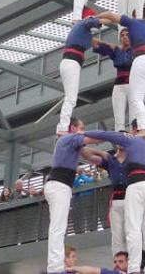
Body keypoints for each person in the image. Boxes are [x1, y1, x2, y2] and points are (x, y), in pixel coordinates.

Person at [79, 128, 145, 274]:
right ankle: (123, 268)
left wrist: (81, 135)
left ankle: (133, 267)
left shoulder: (133, 149)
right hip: (123, 196)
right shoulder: (112, 158)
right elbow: (87, 154)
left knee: (135, 231)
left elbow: (104, 134)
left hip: (134, 192)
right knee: (123, 236)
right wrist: (101, 152)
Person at [44, 117, 105, 274]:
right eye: (82, 128)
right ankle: (55, 268)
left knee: (59, 226)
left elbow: (90, 156)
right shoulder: (68, 138)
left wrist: (107, 158)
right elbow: (93, 139)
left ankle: (55, 266)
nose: (83, 131)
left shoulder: (71, 142)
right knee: (58, 227)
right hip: (59, 185)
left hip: (58, 184)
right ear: (72, 128)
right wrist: (115, 136)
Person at [97, 11, 145, 136]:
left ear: (135, 16)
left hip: (143, 58)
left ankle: (142, 129)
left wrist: (95, 18)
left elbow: (111, 15)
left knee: (137, 98)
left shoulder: (133, 22)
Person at [57, 9, 102, 135]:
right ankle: (63, 128)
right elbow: (92, 22)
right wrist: (111, 18)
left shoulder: (82, 33)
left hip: (69, 62)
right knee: (71, 98)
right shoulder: (82, 24)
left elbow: (97, 43)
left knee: (71, 98)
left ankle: (63, 127)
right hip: (71, 63)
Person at [86, 146, 128, 255]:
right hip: (116, 200)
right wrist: (101, 152)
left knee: (131, 234)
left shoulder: (133, 158)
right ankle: (118, 264)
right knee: (116, 236)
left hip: (131, 199)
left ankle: (134, 264)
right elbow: (88, 155)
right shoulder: (111, 160)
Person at [93, 30, 134, 131]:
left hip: (134, 84)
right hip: (119, 85)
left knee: (135, 113)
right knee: (118, 116)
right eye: (122, 35)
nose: (124, 37)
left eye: (127, 35)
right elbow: (94, 43)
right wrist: (107, 44)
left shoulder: (137, 49)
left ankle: (136, 134)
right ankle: (120, 136)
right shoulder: (116, 50)